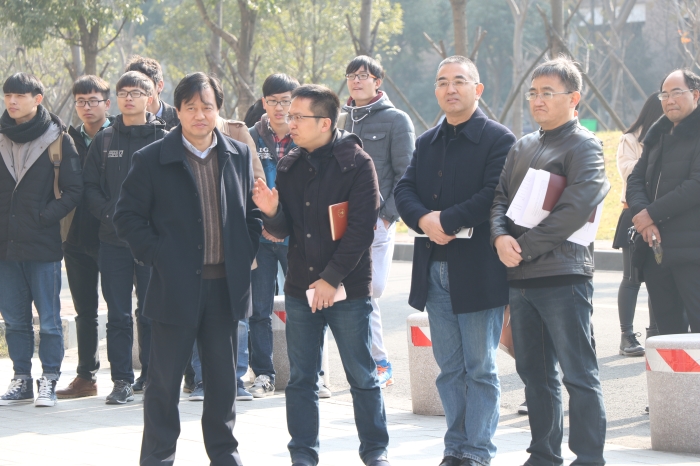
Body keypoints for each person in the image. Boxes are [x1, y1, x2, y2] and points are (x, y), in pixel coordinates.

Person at [113, 72, 261, 466]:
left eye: (207, 107)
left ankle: (225, 457)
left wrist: (244, 249)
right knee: (163, 385)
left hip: (224, 289)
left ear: (218, 110)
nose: (199, 115)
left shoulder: (238, 153)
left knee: (223, 385)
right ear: (176, 110)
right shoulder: (152, 158)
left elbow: (251, 213)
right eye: (190, 107)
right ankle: (158, 459)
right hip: (173, 288)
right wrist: (159, 255)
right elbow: (126, 217)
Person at [252, 84, 390, 466]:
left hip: (347, 289)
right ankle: (303, 454)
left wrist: (331, 279)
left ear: (325, 122)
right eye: (289, 116)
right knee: (301, 379)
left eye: (298, 117)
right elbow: (285, 230)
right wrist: (271, 211)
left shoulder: (357, 163)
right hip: (301, 289)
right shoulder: (290, 164)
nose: (290, 123)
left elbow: (361, 231)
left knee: (362, 375)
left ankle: (375, 452)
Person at [394, 56, 515, 466]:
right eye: (442, 81)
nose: (450, 88)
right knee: (449, 369)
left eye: (459, 81)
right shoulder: (427, 142)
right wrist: (424, 220)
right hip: (433, 269)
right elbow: (404, 190)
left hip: (478, 269)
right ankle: (455, 448)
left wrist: (445, 219)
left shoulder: (498, 139)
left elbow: (494, 194)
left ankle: (477, 451)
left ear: (477, 89)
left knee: (480, 367)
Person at [490, 56, 609, 466]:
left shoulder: (585, 145)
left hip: (564, 275)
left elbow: (574, 210)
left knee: (579, 374)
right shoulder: (522, 145)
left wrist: (522, 247)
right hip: (521, 279)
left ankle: (589, 457)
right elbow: (499, 199)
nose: (537, 100)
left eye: (547, 92)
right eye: (533, 92)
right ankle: (543, 454)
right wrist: (499, 237)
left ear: (573, 98)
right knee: (534, 375)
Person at [83, 71, 167, 404]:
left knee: (151, 313)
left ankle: (152, 376)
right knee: (117, 314)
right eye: (123, 93)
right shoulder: (104, 140)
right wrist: (112, 215)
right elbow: (90, 188)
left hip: (152, 243)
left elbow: (175, 188)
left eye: (136, 93)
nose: (129, 98)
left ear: (150, 97)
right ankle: (121, 380)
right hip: (113, 241)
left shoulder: (166, 139)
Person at [0, 73, 83, 407]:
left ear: (38, 99)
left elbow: (74, 190)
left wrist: (42, 217)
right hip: (5, 246)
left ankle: (49, 379)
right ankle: (21, 379)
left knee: (49, 320)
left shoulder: (58, 139)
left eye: (19, 95)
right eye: (7, 95)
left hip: (43, 245)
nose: (11, 101)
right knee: (14, 320)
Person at [342, 56, 414, 388]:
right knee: (352, 295)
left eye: (363, 75)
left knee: (370, 290)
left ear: (377, 81)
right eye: (351, 75)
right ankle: (372, 362)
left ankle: (379, 362)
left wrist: (386, 217)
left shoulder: (396, 120)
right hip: (342, 221)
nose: (356, 81)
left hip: (375, 223)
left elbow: (407, 174)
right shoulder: (343, 119)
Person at [626, 69, 700, 334]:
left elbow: (695, 186)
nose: (670, 100)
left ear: (696, 95)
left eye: (677, 93)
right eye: (664, 95)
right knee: (669, 334)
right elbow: (635, 180)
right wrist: (645, 220)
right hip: (657, 250)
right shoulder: (657, 134)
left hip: (692, 251)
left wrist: (651, 214)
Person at [56, 75, 115, 399]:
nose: (87, 107)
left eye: (93, 101)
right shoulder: (66, 139)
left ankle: (128, 376)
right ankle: (86, 377)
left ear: (107, 103)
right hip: (76, 237)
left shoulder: (119, 135)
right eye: (81, 101)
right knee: (85, 311)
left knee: (120, 309)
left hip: (113, 235)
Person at [246, 73, 299, 399]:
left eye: (286, 101)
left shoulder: (304, 134)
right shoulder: (251, 137)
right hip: (261, 238)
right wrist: (262, 224)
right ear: (264, 102)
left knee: (303, 309)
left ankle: (310, 374)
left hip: (297, 239)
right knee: (259, 310)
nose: (280, 108)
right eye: (273, 101)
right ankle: (264, 374)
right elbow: (244, 186)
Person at [612, 93, 663, 351]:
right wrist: (655, 156)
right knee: (632, 278)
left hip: (662, 215)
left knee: (659, 277)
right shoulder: (630, 139)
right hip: (633, 214)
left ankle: (656, 333)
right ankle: (627, 336)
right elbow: (628, 172)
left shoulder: (673, 137)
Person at [124, 55, 180, 130]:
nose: (137, 90)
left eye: (143, 83)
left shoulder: (180, 120)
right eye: (132, 86)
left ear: (159, 86)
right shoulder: (120, 124)